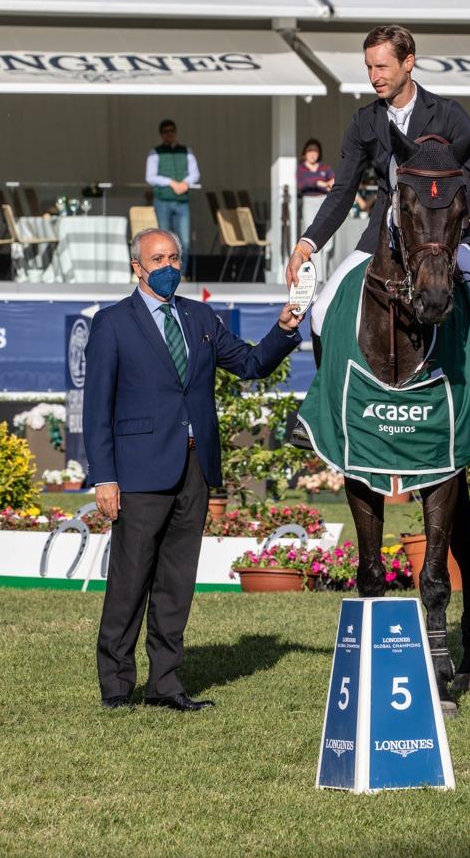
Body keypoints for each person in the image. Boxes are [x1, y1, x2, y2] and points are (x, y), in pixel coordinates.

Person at [83, 228, 302, 712]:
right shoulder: (112, 323)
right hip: (138, 472)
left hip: (194, 467)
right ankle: (117, 685)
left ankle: (165, 683)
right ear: (136, 267)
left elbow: (248, 364)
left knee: (177, 581)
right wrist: (105, 477)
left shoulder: (200, 317)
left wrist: (284, 329)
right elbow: (97, 406)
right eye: (157, 258)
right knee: (130, 580)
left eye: (174, 256)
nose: (168, 265)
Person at [287, 24, 470, 447]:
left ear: (408, 63)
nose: (374, 75)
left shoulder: (447, 113)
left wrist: (445, 217)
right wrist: (308, 243)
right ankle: (321, 408)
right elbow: (343, 192)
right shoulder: (364, 121)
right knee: (323, 311)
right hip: (380, 237)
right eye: (368, 67)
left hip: (443, 238)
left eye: (382, 66)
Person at [145, 119, 200, 277]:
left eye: (172, 131)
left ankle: (181, 274)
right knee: (164, 241)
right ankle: (165, 274)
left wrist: (185, 183)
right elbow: (150, 177)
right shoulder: (155, 152)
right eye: (166, 131)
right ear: (162, 134)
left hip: (181, 202)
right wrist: (171, 182)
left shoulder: (186, 151)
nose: (170, 134)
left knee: (185, 241)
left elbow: (195, 173)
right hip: (163, 201)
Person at [297, 139, 335, 282]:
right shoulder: (301, 168)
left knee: (327, 242)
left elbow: (334, 182)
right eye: (310, 150)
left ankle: (325, 277)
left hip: (324, 202)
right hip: (309, 202)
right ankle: (316, 277)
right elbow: (302, 184)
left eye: (315, 151)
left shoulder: (325, 168)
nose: (313, 154)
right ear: (304, 153)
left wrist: (326, 184)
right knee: (311, 238)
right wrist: (320, 183)